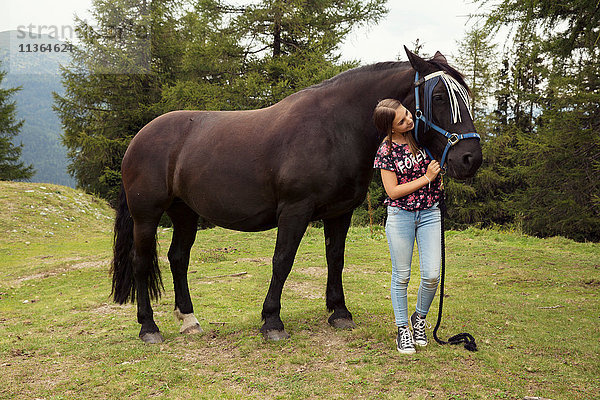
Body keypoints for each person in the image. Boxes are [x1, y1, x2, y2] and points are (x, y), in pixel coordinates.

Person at [372, 98, 442, 354]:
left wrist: (437, 180)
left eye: (407, 114)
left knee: (432, 274)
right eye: (401, 121)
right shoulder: (386, 151)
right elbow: (392, 192)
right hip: (401, 216)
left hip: (429, 213)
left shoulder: (419, 137)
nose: (409, 120)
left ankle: (419, 319)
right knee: (402, 276)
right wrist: (427, 178)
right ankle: (403, 328)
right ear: (390, 128)